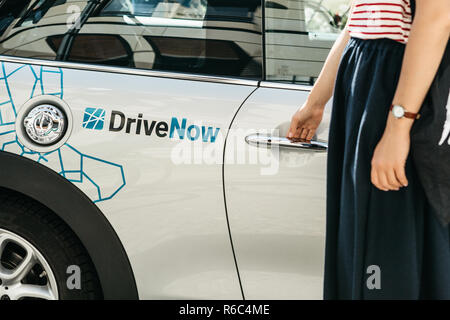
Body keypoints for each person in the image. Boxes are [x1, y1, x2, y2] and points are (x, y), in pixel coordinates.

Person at [287, 0, 450, 299]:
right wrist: (316, 101)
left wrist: (399, 125)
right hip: (367, 80)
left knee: (389, 261)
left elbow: (438, 17)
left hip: (399, 86)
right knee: (365, 256)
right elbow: (358, 21)